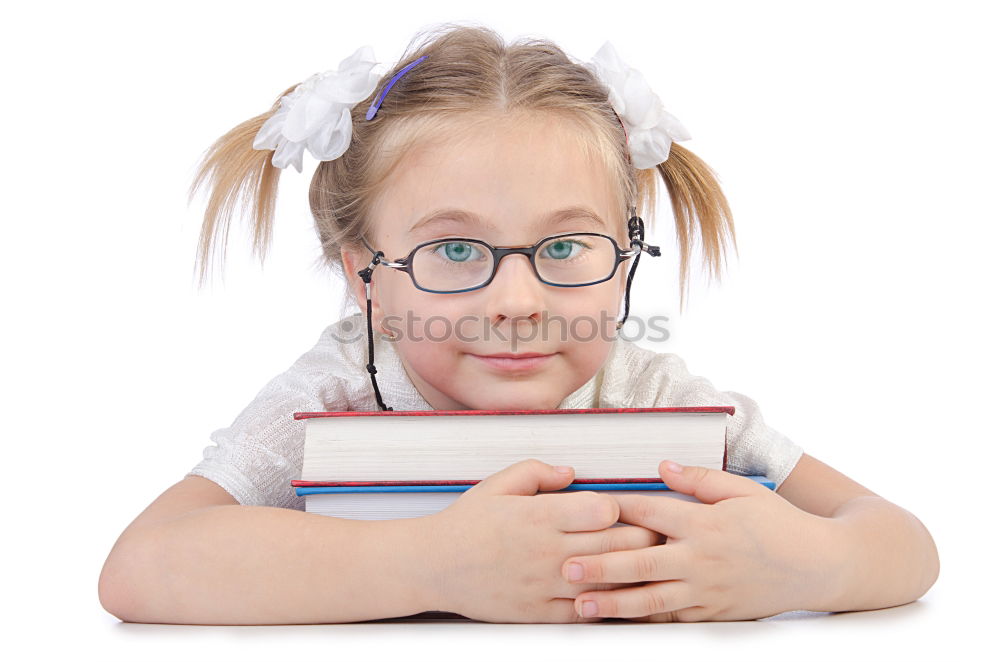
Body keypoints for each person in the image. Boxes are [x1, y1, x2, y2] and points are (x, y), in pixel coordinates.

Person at [97, 23, 939, 625]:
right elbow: (140, 570)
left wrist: (795, 564)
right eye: (457, 249)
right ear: (368, 281)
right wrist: (430, 565)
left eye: (566, 245)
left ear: (627, 255)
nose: (516, 301)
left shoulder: (651, 393)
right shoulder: (341, 392)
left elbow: (902, 544)